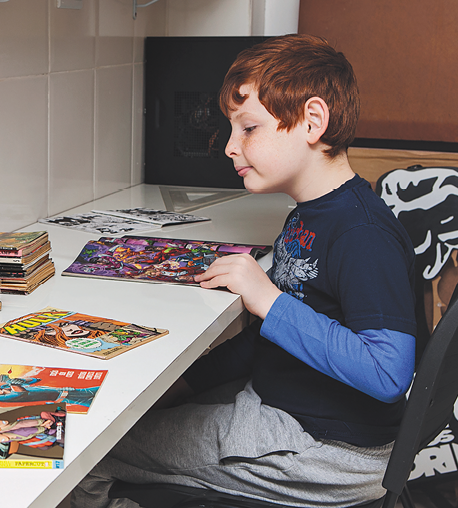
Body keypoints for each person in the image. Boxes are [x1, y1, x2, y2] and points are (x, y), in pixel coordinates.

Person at [71, 34, 417, 508]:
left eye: (248, 128)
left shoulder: (361, 233)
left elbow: (388, 372)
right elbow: (269, 339)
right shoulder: (309, 214)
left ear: (313, 121)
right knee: (134, 419)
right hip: (292, 414)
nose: (230, 147)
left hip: (329, 451)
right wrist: (177, 390)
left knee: (85, 454)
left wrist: (266, 298)